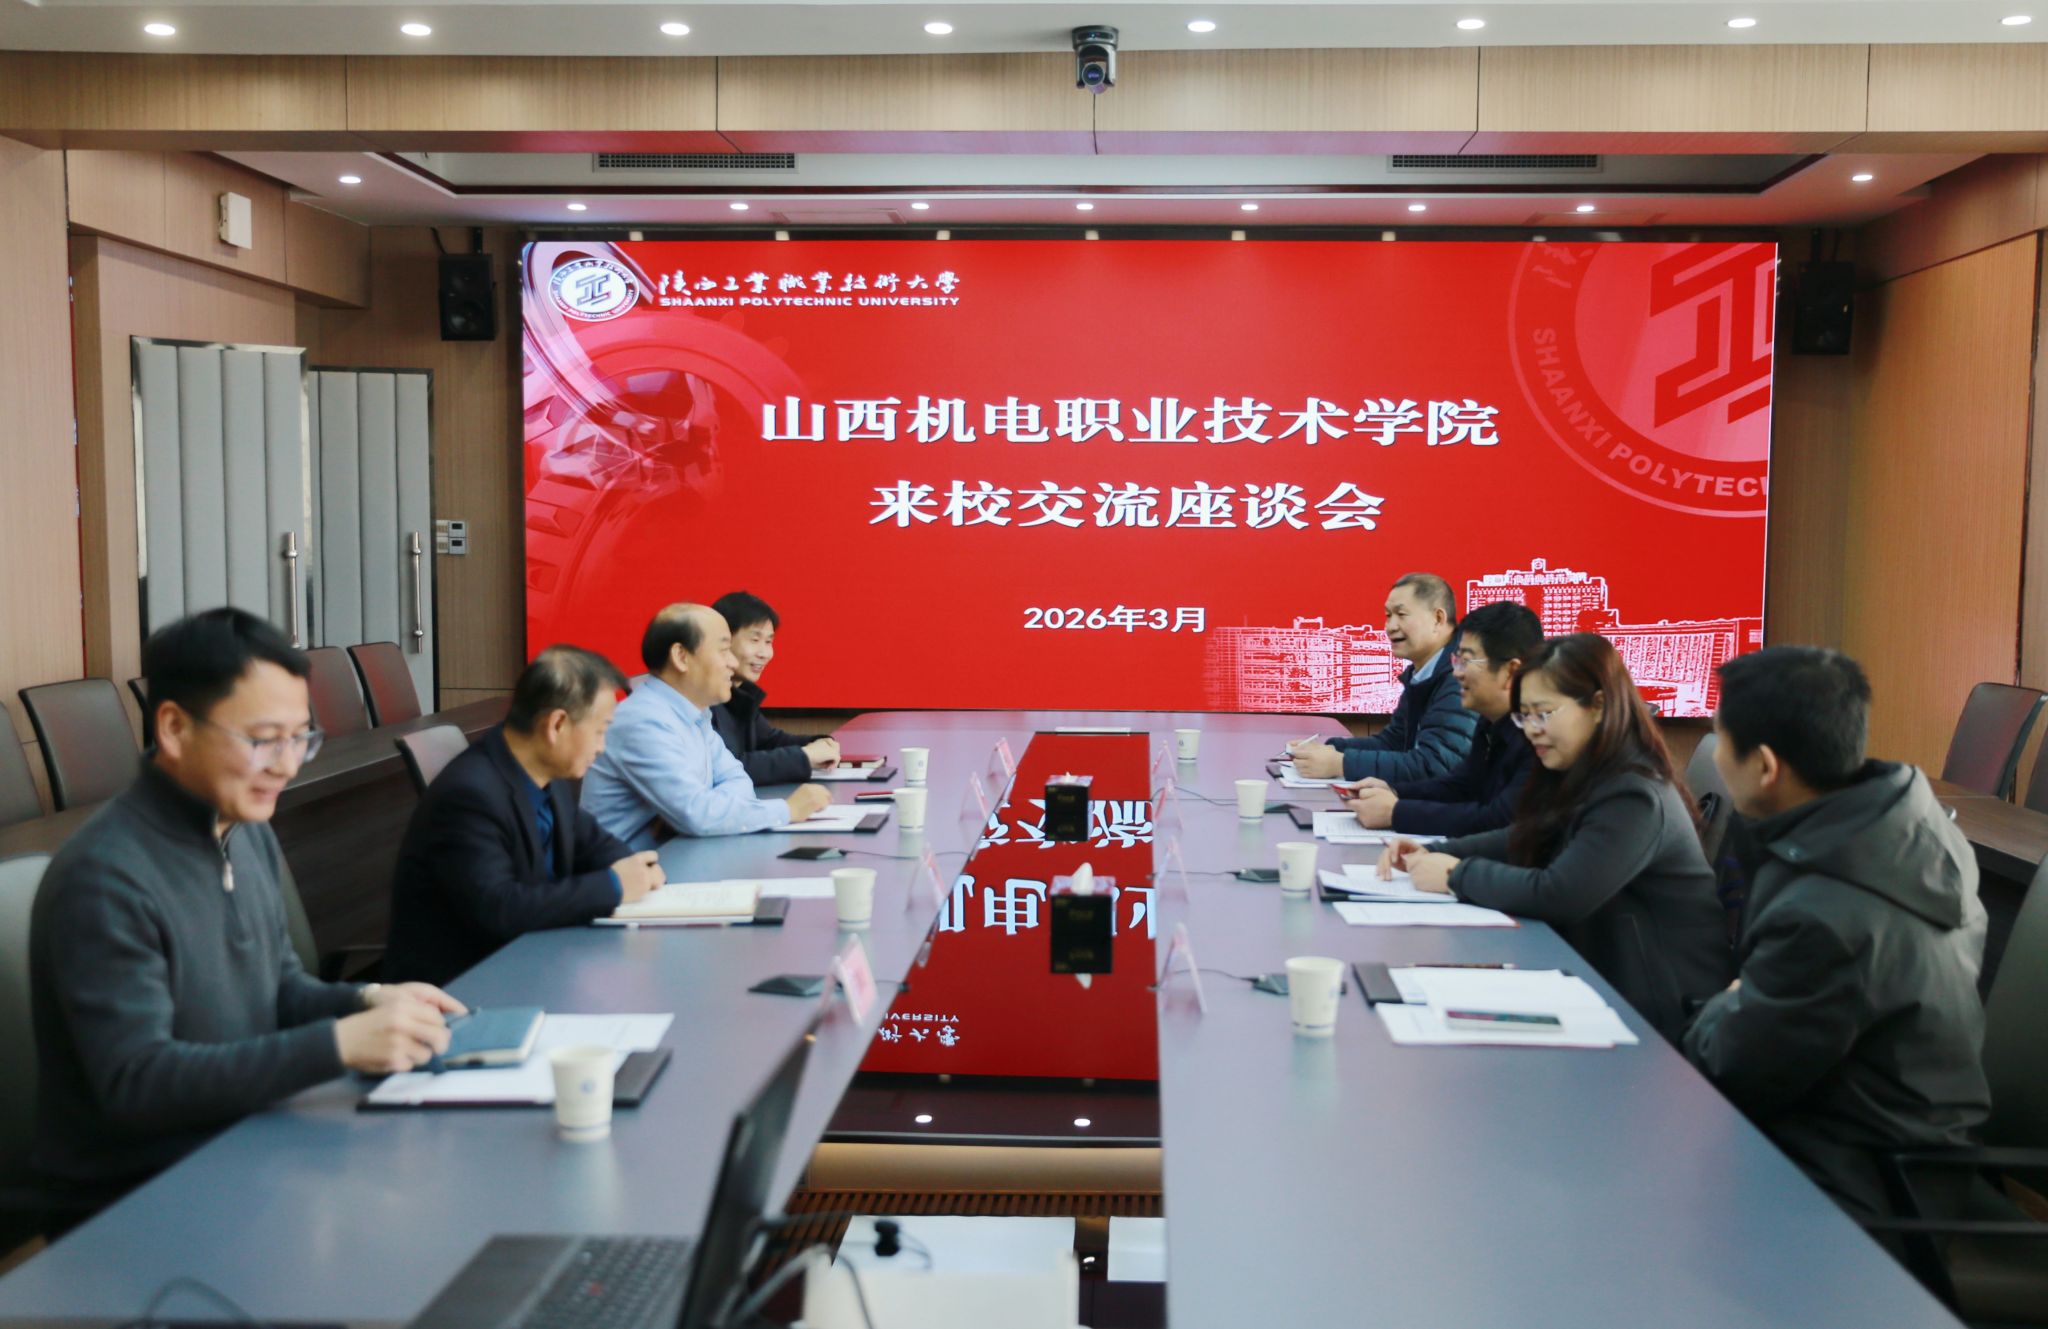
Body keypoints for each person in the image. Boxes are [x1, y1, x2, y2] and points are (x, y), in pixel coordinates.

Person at [29, 609, 463, 1200]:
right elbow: (138, 1083)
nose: (285, 764)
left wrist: (368, 999)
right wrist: (339, 1045)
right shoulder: (104, 878)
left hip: (249, 1140)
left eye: (299, 738)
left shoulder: (242, 828)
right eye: (262, 740)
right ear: (174, 728)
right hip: (143, 1195)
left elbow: (278, 990)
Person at [1682, 647, 1988, 1218]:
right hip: (1911, 1146)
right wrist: (1743, 997)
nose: (1715, 757)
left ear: (1766, 767)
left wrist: (1728, 1003)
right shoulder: (1908, 830)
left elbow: (1730, 1065)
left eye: (1720, 741)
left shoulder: (1822, 916)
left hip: (1861, 1185)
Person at [1380, 633, 1731, 1040]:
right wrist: (1435, 851)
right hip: (1604, 976)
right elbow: (1531, 835)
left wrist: (1455, 875)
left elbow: (1560, 893)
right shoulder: (1589, 772)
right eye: (1524, 716)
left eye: (1543, 714)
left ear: (1597, 705)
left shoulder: (1635, 793)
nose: (1532, 730)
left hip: (1657, 1012)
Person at [385, 645, 664, 987]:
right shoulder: (470, 796)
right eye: (599, 731)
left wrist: (637, 868)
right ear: (557, 725)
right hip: (461, 987)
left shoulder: (545, 774)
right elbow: (500, 908)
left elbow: (592, 842)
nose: (602, 746)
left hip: (529, 962)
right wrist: (614, 885)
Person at [582, 603, 832, 849]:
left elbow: (737, 778)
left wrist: (711, 808)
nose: (732, 663)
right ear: (681, 657)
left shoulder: (695, 714)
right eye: (723, 650)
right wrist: (788, 810)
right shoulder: (644, 721)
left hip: (677, 854)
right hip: (627, 869)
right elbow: (696, 814)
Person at [1344, 602, 1542, 837]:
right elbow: (1461, 785)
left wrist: (1396, 813)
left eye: (1467, 661)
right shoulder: (1491, 723)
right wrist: (1394, 791)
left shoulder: (1539, 735)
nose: (1456, 672)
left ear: (1510, 671)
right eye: (1456, 660)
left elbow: (1498, 821)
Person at [1290, 573, 1477, 783]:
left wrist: (1340, 764)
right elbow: (1394, 743)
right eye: (1388, 615)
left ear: (1438, 619)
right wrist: (1330, 749)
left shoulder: (1461, 677)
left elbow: (1433, 766)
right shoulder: (1424, 673)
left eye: (1401, 614)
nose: (1390, 626)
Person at [710, 590, 840, 785]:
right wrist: (804, 757)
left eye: (768, 642)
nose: (764, 653)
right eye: (755, 640)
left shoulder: (739, 694)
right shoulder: (703, 698)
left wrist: (820, 742)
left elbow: (769, 741)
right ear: (723, 641)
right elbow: (729, 768)